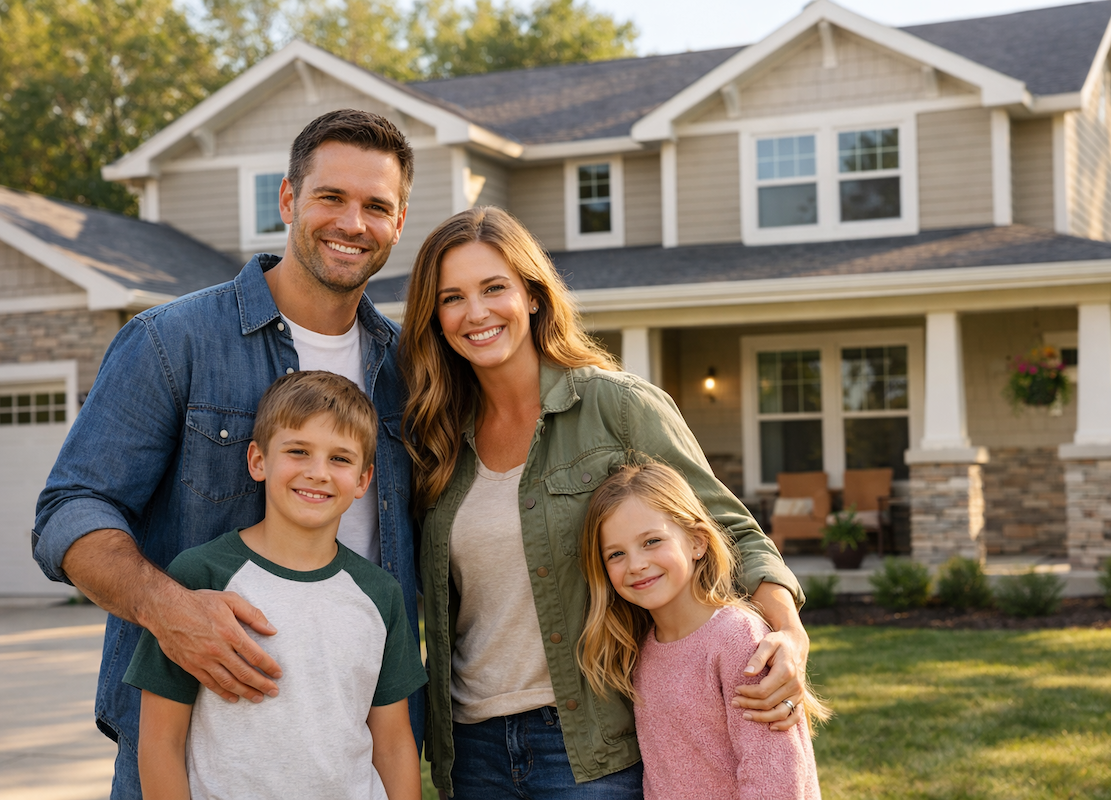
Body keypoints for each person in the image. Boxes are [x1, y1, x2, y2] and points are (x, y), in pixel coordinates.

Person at [32, 108, 422, 799]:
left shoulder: (410, 370)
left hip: (346, 755)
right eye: (331, 197)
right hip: (191, 752)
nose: (352, 223)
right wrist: (168, 609)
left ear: (399, 220)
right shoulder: (170, 342)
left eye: (376, 206)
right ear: (288, 198)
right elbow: (69, 510)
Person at [399, 206, 812, 798]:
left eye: (495, 288)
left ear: (533, 296)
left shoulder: (617, 408)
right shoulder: (436, 439)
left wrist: (790, 634)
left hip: (588, 742)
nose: (477, 313)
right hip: (472, 747)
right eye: (452, 298)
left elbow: (729, 530)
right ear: (435, 318)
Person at [125, 371, 426, 800]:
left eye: (340, 459)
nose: (318, 472)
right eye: (298, 451)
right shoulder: (201, 576)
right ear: (258, 460)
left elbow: (394, 745)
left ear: (363, 480)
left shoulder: (380, 594)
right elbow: (160, 742)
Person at [578, 461, 827, 800]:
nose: (635, 564)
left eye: (651, 541)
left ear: (697, 542)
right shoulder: (644, 650)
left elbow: (776, 776)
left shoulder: (739, 640)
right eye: (616, 554)